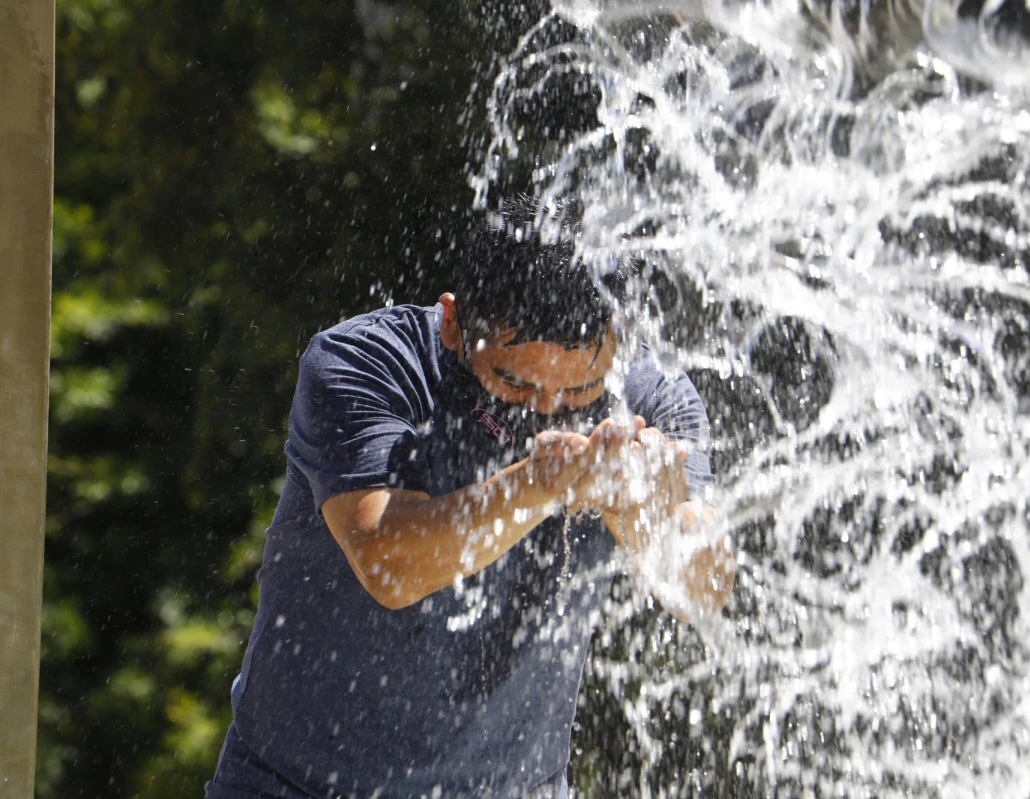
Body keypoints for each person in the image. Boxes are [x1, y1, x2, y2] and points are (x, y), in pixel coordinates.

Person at [205, 196, 735, 799]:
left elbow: (703, 591)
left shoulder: (653, 398)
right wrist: (542, 483)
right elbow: (388, 565)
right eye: (514, 382)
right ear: (453, 323)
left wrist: (646, 513)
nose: (546, 412)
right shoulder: (365, 362)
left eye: (581, 390)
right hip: (293, 784)